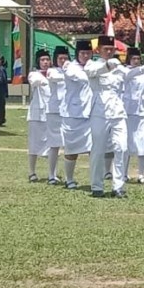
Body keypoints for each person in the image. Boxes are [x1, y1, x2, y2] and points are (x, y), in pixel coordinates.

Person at [86, 35, 129, 198]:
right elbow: (91, 72)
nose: (109, 51)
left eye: (112, 49)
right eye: (106, 49)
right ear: (98, 50)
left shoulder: (118, 65)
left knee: (122, 147)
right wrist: (108, 66)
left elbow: (129, 75)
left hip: (118, 110)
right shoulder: (93, 64)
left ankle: (118, 186)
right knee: (98, 149)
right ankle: (97, 185)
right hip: (99, 110)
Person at [61, 40, 95, 190]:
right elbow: (81, 77)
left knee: (93, 149)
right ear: (77, 54)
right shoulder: (70, 66)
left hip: (91, 113)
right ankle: (69, 179)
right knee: (71, 149)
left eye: (88, 53)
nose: (86, 56)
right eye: (82, 53)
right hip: (73, 113)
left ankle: (95, 179)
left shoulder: (94, 65)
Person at [122, 47, 144, 184]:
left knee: (141, 140)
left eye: (138, 59)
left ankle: (140, 173)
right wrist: (141, 69)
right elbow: (128, 76)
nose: (136, 61)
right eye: (133, 58)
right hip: (128, 109)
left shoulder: (143, 73)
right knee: (126, 142)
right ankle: (124, 173)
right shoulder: (125, 71)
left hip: (142, 109)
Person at [44, 46, 70, 184]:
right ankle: (51, 174)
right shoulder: (51, 71)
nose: (63, 60)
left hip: (68, 111)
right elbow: (56, 78)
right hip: (54, 110)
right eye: (60, 58)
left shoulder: (72, 71)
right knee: (54, 145)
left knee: (68, 145)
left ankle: (68, 176)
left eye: (65, 58)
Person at [26, 50, 52, 181]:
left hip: (51, 113)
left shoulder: (55, 73)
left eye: (47, 59)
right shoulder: (34, 74)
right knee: (34, 143)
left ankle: (52, 173)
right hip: (36, 114)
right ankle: (32, 172)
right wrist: (46, 80)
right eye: (42, 60)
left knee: (52, 144)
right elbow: (35, 81)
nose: (45, 62)